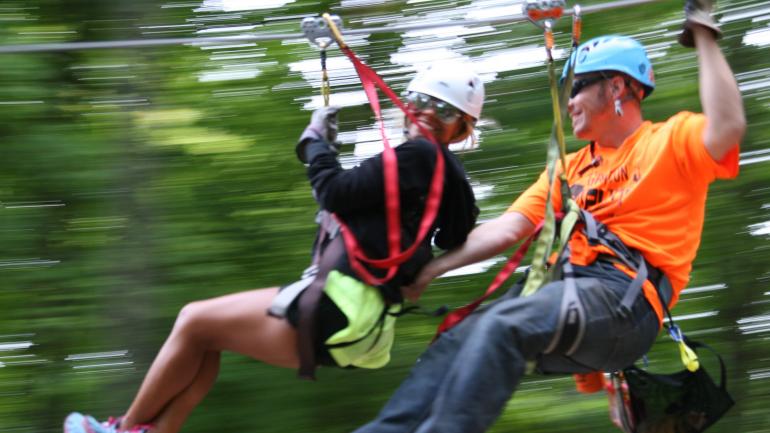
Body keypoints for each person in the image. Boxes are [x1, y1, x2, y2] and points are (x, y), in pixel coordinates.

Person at [352, 3, 745, 433]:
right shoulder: (570, 169)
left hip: (624, 302)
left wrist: (703, 33)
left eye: (577, 88)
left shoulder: (670, 141)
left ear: (616, 88)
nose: (569, 101)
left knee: (503, 325)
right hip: (572, 292)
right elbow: (509, 227)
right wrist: (429, 271)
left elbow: (726, 126)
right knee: (455, 340)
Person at [63, 64, 484, 433]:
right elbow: (456, 234)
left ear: (462, 127)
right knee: (206, 338)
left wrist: (314, 144)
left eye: (444, 110)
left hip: (336, 305)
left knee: (193, 320)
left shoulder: (416, 155)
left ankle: (124, 429)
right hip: (362, 325)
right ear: (405, 102)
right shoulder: (445, 175)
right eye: (420, 100)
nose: (428, 113)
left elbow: (334, 193)